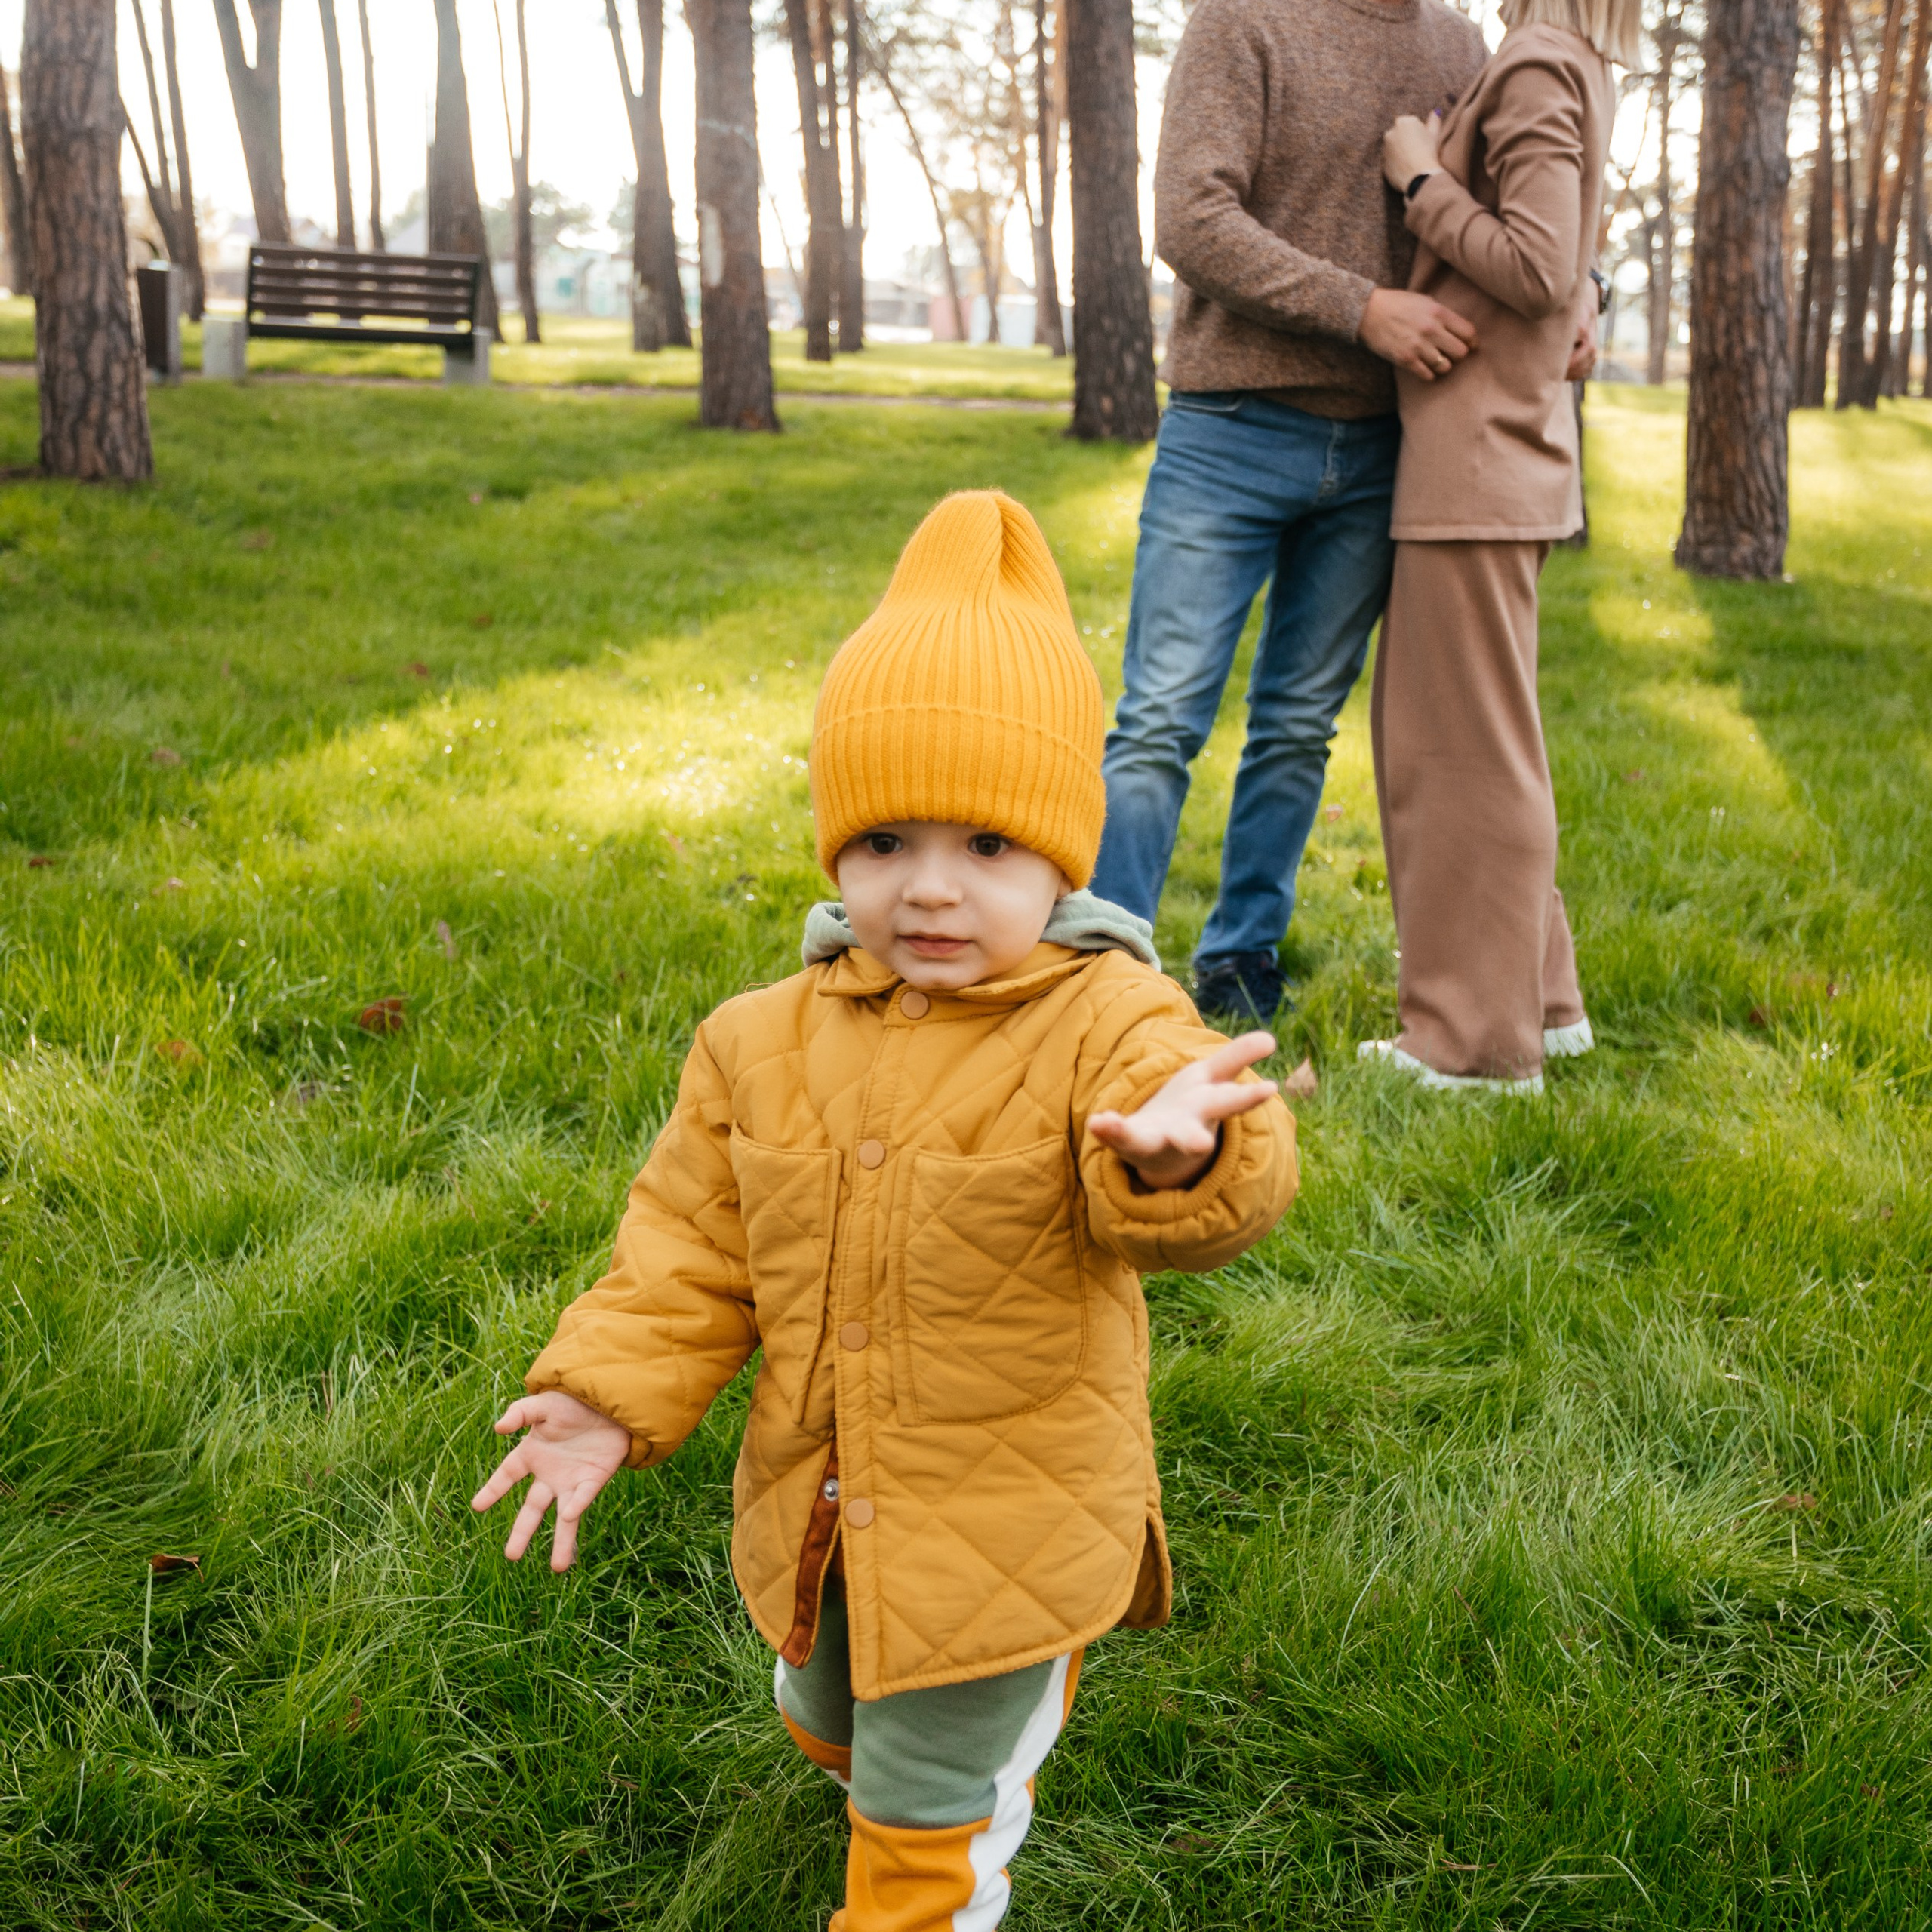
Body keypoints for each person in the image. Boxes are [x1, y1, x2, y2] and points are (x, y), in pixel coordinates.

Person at [472, 491, 1300, 1932]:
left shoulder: (1113, 1014)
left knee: (923, 1833)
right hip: (828, 1503)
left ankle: (971, 1785)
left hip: (1013, 1515)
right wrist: (606, 1396)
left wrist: (1177, 1159)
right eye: (883, 843)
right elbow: (690, 1247)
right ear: (834, 851)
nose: (929, 889)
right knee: (830, 1715)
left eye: (986, 846)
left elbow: (1208, 1136)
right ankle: (910, 1747)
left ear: (1063, 856)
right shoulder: (756, 1040)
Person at [1091, 0, 1493, 1026]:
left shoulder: (1460, 44)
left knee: (1298, 725)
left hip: (1381, 445)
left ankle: (1241, 961)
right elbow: (1191, 218)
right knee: (1159, 720)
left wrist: (1582, 288)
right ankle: (1100, 964)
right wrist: (1363, 307)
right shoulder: (1240, 20)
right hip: (1230, 429)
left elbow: (1497, 215)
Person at [1359, 0, 1629, 1092]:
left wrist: (1421, 180)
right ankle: (1544, 1003)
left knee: (1454, 756)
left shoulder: (1533, 61)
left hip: (1476, 462)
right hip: (1502, 458)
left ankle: (1474, 1046)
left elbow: (1539, 263)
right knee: (1491, 741)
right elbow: (1565, 266)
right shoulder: (1569, 59)